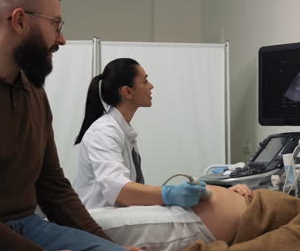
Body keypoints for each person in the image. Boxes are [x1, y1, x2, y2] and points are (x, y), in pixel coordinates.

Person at [0, 0, 141, 250]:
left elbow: (53, 187)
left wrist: (110, 246)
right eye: (55, 25)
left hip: (30, 227)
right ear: (19, 21)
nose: (61, 39)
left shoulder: (34, 93)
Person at [73, 58, 212, 208]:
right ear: (127, 92)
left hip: (116, 215)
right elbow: (119, 190)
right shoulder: (104, 132)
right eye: (145, 81)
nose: (151, 86)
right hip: (97, 220)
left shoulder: (121, 130)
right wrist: (168, 194)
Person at [99, 180, 300, 251]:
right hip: (178, 217)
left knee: (84, 229)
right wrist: (242, 193)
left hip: (186, 228)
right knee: (79, 228)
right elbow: (260, 221)